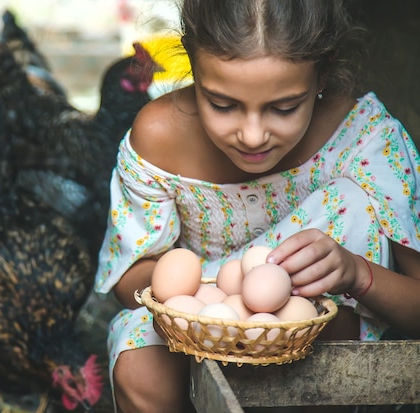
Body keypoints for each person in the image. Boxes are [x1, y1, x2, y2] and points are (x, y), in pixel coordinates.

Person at [93, 0, 420, 412]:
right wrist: (209, 304)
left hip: (319, 334)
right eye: (223, 104)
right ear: (193, 65)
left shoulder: (364, 142)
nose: (252, 136)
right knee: (139, 358)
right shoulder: (160, 138)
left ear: (322, 72)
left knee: (349, 203)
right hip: (197, 325)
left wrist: (356, 273)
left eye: (284, 108)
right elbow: (129, 279)